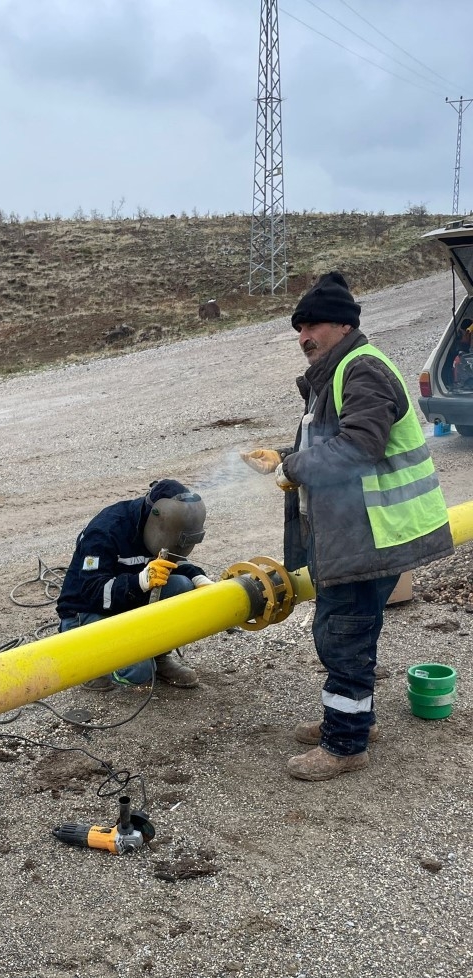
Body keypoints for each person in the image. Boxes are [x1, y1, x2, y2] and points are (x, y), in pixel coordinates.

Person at [242, 271, 453, 781]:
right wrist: (287, 455)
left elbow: (360, 447)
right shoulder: (339, 373)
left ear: (343, 324)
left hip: (373, 537)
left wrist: (295, 468)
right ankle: (355, 717)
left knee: (342, 637)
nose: (303, 336)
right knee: (350, 633)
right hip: (362, 535)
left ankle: (346, 743)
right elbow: (336, 444)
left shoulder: (361, 369)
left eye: (311, 325)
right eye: (298, 328)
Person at [56, 479, 212, 689]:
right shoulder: (106, 530)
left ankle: (158, 657)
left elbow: (172, 560)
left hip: (126, 605)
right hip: (86, 614)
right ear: (156, 516)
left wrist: (198, 577)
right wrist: (139, 582)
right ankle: (88, 664)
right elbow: (92, 592)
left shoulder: (160, 529)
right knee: (138, 672)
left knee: (182, 585)